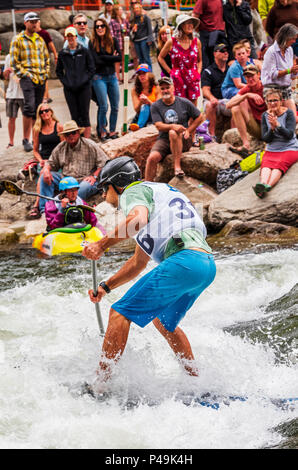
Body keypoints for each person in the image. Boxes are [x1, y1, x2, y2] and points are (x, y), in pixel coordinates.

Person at [82, 156, 216, 386]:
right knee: (163, 322)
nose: (104, 195)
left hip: (183, 259)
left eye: (106, 188)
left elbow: (138, 220)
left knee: (119, 313)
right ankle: (196, 382)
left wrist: (101, 245)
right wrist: (106, 287)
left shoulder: (133, 192)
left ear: (119, 183)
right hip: (205, 264)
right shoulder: (158, 194)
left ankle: (100, 385)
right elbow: (138, 262)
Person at [38, 120, 108, 214]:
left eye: (73, 133)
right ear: (64, 136)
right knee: (44, 177)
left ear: (78, 133)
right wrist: (46, 170)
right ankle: (45, 210)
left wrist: (94, 176)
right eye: (67, 134)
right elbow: (51, 162)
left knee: (81, 188)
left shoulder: (90, 145)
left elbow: (104, 163)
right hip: (65, 179)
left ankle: (67, 209)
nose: (70, 136)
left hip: (84, 179)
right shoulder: (61, 147)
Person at [145, 76, 204, 181]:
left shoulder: (183, 102)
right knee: (152, 158)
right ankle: (146, 184)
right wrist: (172, 126)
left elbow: (200, 117)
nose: (165, 90)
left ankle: (177, 166)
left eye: (167, 87)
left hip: (183, 139)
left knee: (173, 133)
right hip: (164, 140)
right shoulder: (156, 106)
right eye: (162, 88)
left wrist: (189, 130)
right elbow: (158, 125)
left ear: (173, 88)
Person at [10, 11, 50, 153]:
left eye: (36, 21)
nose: (34, 23)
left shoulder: (39, 39)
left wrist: (46, 73)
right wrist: (24, 75)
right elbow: (14, 61)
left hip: (40, 77)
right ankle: (25, 139)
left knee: (38, 110)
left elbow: (46, 58)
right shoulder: (18, 39)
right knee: (29, 107)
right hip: (28, 78)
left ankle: (35, 139)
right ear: (25, 22)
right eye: (31, 21)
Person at [253, 88, 298, 198]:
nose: (273, 103)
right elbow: (265, 138)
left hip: (289, 148)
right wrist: (272, 129)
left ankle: (268, 185)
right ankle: (262, 184)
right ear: (266, 102)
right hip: (272, 148)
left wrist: (277, 125)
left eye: (275, 100)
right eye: (270, 101)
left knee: (278, 165)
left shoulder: (289, 114)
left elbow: (289, 135)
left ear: (281, 101)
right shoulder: (265, 116)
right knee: (266, 165)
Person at [56, 26, 95, 139]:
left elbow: (91, 68)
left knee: (85, 114)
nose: (70, 38)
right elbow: (58, 71)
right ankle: (77, 139)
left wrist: (85, 80)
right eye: (68, 36)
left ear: (76, 37)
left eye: (72, 36)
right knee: (74, 115)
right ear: (66, 38)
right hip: (70, 89)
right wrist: (65, 82)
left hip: (84, 88)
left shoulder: (84, 51)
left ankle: (87, 141)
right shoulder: (63, 53)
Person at [27, 102, 64, 219]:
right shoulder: (37, 128)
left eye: (46, 110)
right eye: (41, 112)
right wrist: (40, 160)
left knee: (43, 172)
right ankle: (42, 207)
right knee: (43, 170)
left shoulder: (58, 126)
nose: (44, 113)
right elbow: (35, 150)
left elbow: (63, 147)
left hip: (56, 160)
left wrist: (52, 161)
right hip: (44, 160)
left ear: (51, 112)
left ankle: (37, 205)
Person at [158, 14, 202, 106]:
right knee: (180, 107)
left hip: (193, 79)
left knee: (193, 109)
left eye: (191, 23)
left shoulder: (196, 42)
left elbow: (200, 60)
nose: (190, 25)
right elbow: (160, 57)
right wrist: (171, 72)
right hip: (178, 79)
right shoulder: (172, 42)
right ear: (181, 26)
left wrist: (197, 73)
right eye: (187, 23)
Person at [89, 18, 121, 142]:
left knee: (115, 106)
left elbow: (119, 57)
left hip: (112, 77)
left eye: (102, 26)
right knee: (103, 106)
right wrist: (110, 57)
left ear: (106, 28)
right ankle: (102, 131)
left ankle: (112, 130)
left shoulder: (113, 41)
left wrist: (103, 57)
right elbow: (95, 61)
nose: (100, 28)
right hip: (99, 78)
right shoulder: (92, 43)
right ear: (95, 29)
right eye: (97, 27)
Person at [226, 64, 267, 156]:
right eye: (247, 77)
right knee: (236, 107)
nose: (250, 79)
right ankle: (246, 144)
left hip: (270, 126)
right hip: (256, 127)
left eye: (252, 76)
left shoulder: (266, 86)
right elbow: (228, 105)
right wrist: (247, 95)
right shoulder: (247, 89)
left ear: (258, 75)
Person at [261, 23, 298, 122]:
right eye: (293, 39)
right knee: (275, 119)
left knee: (293, 118)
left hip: (285, 88)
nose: (294, 41)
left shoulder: (289, 50)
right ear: (286, 37)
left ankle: (291, 137)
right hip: (272, 88)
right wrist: (290, 70)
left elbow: (292, 76)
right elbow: (273, 75)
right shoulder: (271, 52)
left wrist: (295, 71)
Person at [201, 43, 231, 139]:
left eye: (226, 51)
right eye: (222, 51)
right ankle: (212, 135)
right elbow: (205, 90)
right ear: (214, 54)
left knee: (237, 105)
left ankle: (234, 134)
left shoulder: (231, 69)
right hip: (214, 101)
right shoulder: (208, 71)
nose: (225, 53)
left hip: (227, 101)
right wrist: (212, 98)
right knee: (210, 104)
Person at [192, 0, 226, 70]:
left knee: (220, 62)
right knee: (206, 63)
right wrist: (198, 30)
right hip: (207, 34)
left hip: (219, 34)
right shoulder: (202, 1)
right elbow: (194, 17)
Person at [3, 53, 26, 149]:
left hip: (24, 92)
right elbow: (5, 76)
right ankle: (11, 142)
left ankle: (26, 140)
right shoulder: (9, 57)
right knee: (11, 118)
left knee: (27, 117)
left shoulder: (25, 54)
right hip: (11, 93)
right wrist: (7, 72)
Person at [129, 63, 161, 132]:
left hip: (155, 114)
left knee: (146, 106)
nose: (141, 76)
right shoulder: (134, 89)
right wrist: (141, 101)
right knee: (144, 106)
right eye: (139, 74)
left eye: (144, 73)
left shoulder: (157, 87)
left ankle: (139, 127)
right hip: (141, 114)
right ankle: (138, 127)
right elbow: (137, 110)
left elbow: (159, 108)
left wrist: (148, 101)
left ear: (149, 74)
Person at [36, 19, 58, 104]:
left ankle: (45, 96)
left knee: (44, 78)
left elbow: (51, 44)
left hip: (44, 58)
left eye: (36, 22)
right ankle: (47, 96)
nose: (35, 24)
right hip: (35, 59)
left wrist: (55, 55)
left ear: (39, 23)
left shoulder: (44, 33)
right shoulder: (32, 34)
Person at [129, 2, 154, 68]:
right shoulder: (133, 19)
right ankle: (142, 73)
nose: (136, 10)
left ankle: (150, 74)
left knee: (146, 58)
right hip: (136, 41)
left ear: (140, 9)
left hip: (144, 40)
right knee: (140, 60)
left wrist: (150, 39)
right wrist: (133, 30)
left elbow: (150, 29)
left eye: (137, 8)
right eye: (135, 8)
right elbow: (131, 33)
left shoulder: (145, 17)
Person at [110, 4, 130, 83]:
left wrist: (126, 29)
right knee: (117, 61)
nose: (121, 11)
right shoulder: (112, 21)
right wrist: (114, 44)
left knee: (125, 60)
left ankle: (125, 78)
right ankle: (117, 78)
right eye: (120, 9)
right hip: (117, 43)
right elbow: (111, 34)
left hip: (124, 42)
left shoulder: (124, 20)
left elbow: (128, 30)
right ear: (116, 11)